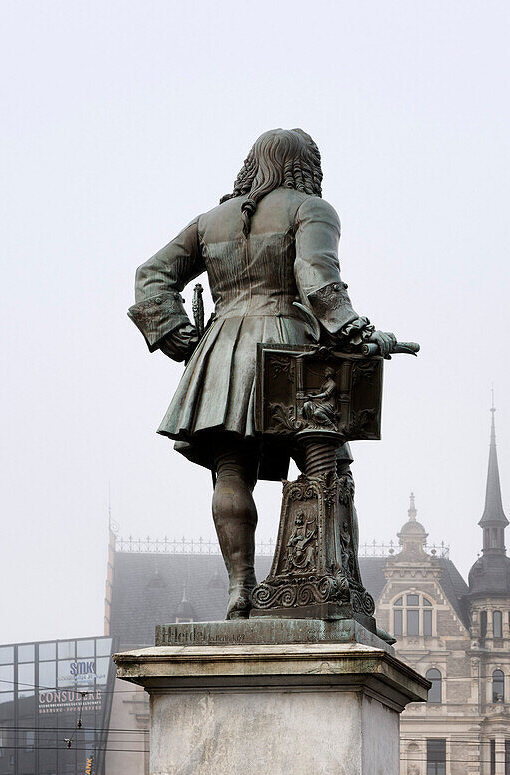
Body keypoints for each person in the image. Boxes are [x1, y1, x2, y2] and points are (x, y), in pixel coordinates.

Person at [128, 128, 396, 619]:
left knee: (230, 471)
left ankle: (241, 588)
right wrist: (359, 333)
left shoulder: (212, 221)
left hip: (221, 356)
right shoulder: (311, 209)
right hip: (291, 350)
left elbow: (151, 275)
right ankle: (327, 586)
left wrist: (175, 334)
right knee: (327, 467)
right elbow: (319, 282)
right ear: (306, 167)